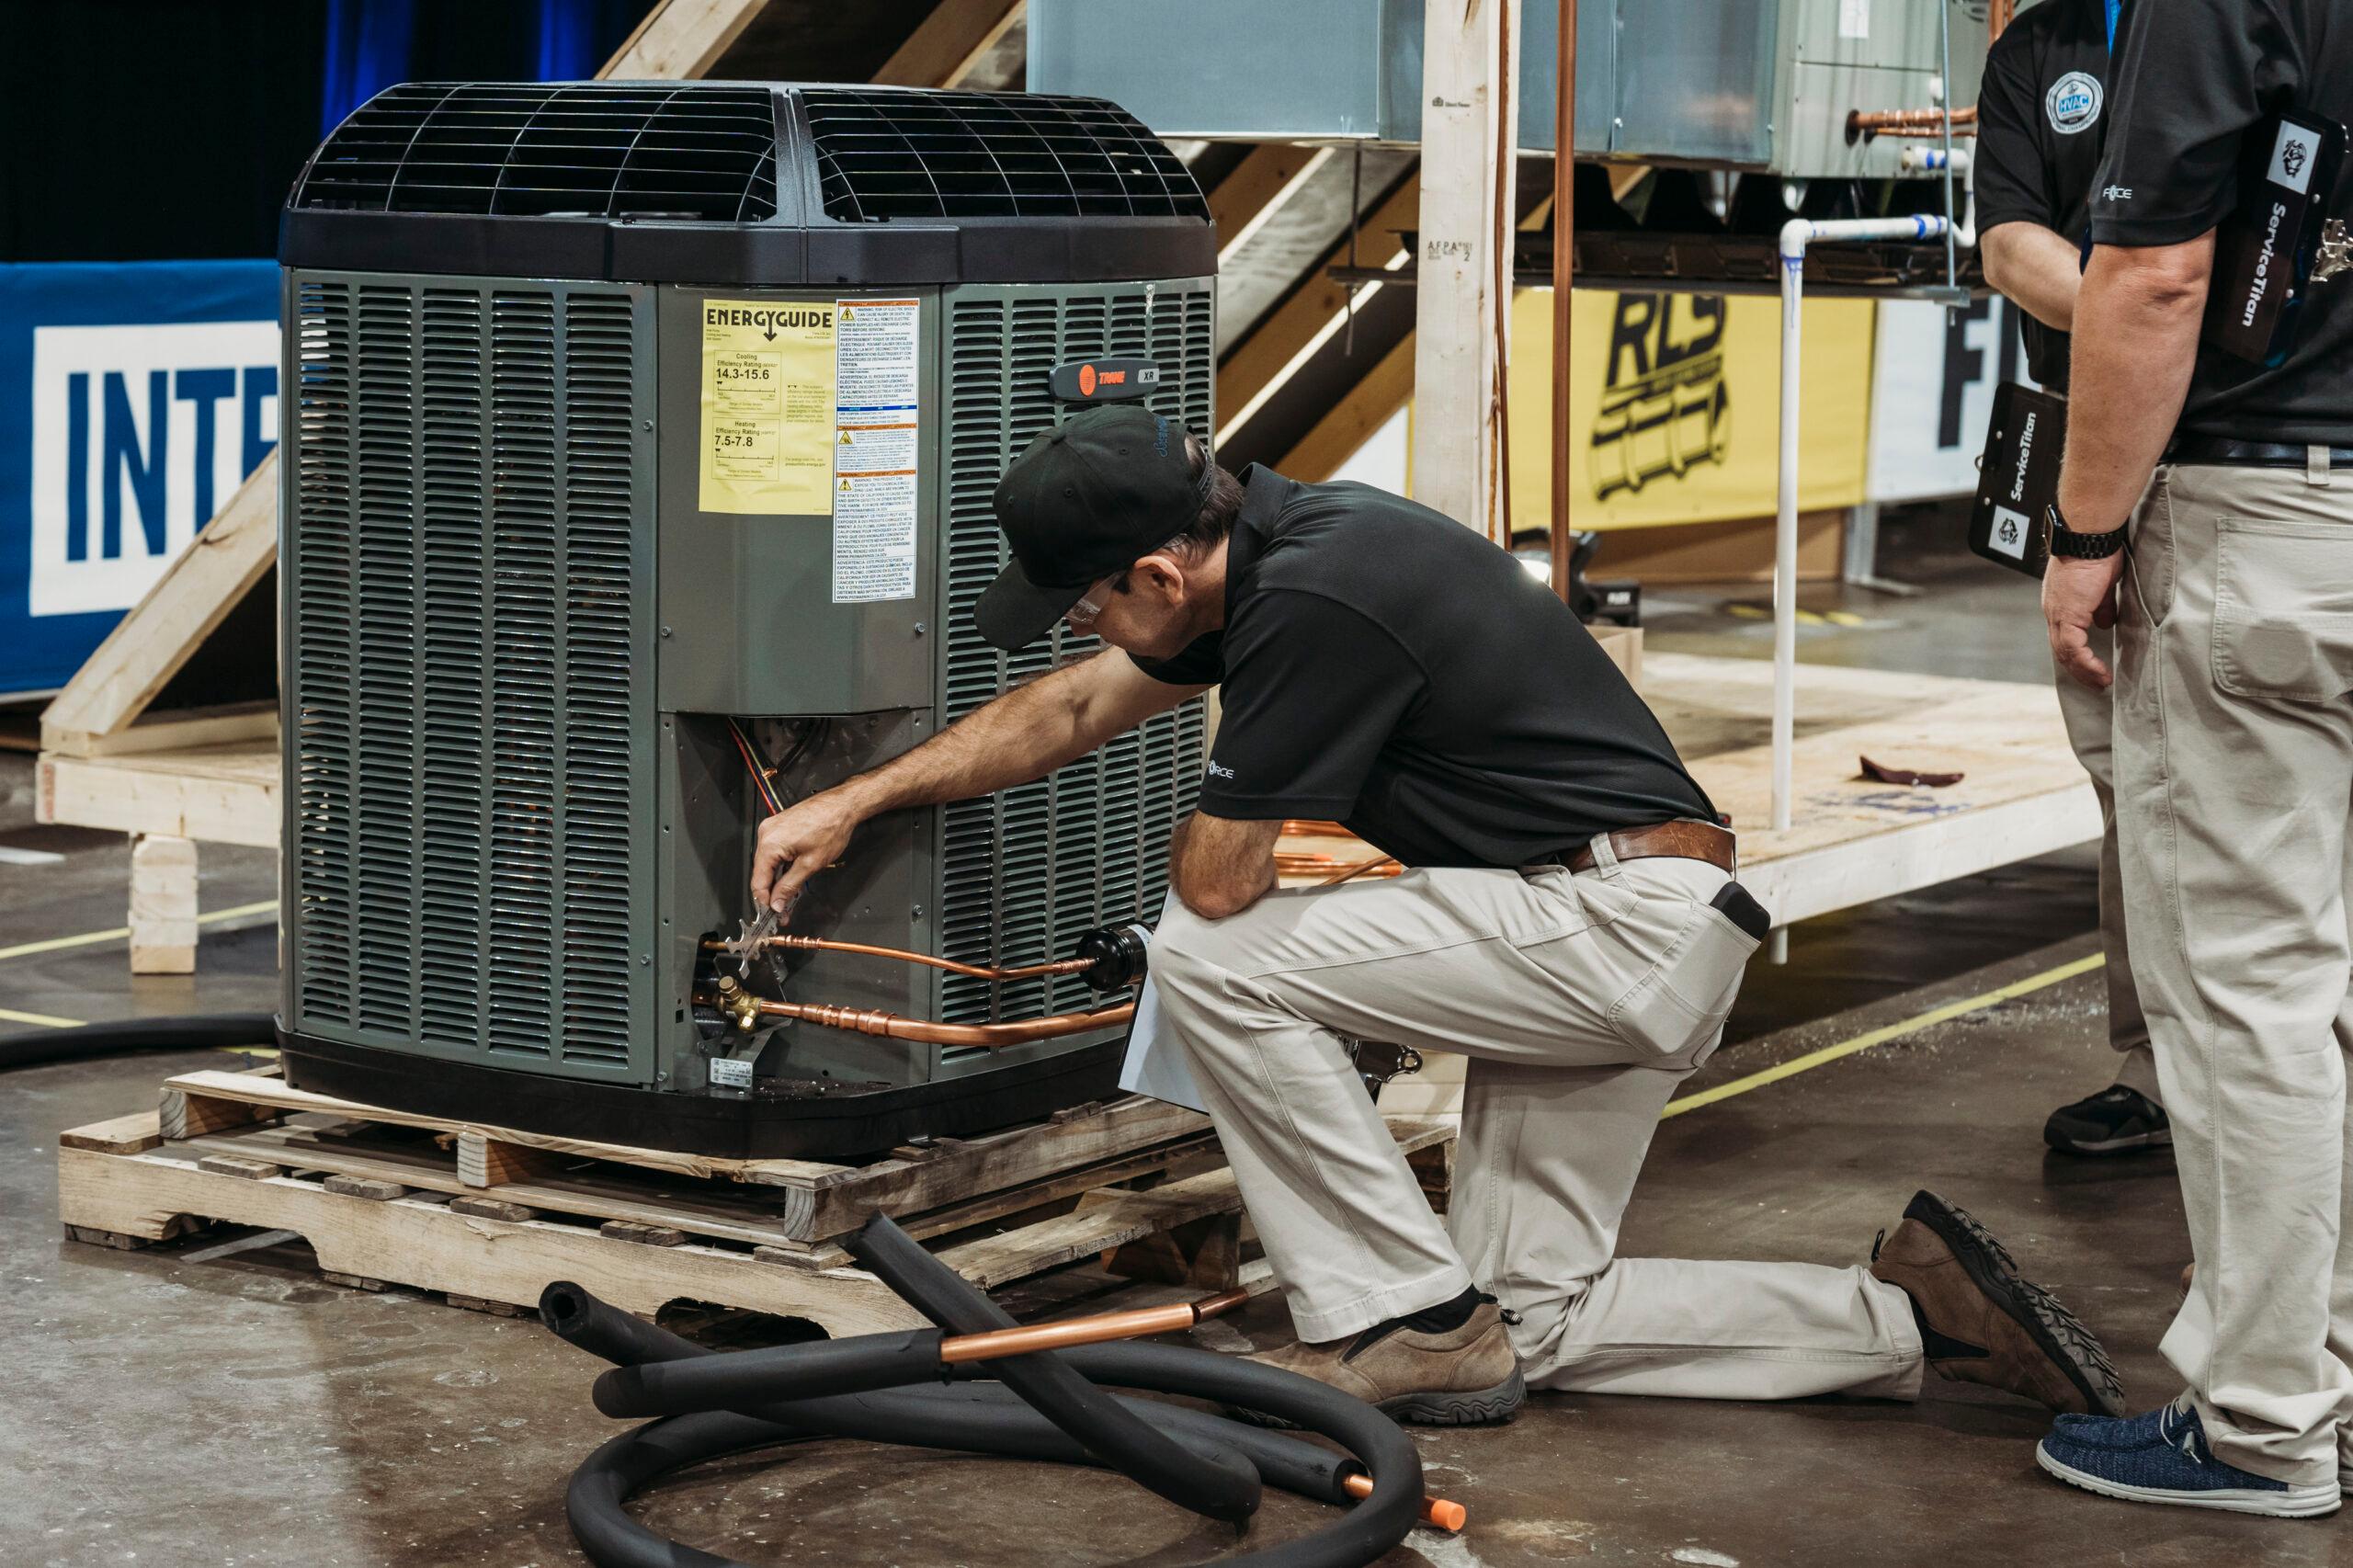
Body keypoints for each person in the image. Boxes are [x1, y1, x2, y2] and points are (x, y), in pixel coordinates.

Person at [751, 403, 2123, 1427]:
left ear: (1160, 577)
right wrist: (854, 802)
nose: (1083, 632)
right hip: (1608, 927)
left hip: (1613, 927)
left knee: (1212, 960)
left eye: (1091, 602)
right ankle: (1908, 1311)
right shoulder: (1289, 548)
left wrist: (1252, 806)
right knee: (1529, 1320)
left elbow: (1221, 886)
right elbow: (1064, 713)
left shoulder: (1318, 596)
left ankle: (1396, 1314)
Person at [2035, 0, 2353, 1517]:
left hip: (2274, 521)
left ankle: (2265, 1422)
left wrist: (2088, 535)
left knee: (2251, 986)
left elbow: (2158, 277)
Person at [1976, 0, 2170, 1159]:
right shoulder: (2039, 47)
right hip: (2091, 451)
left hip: (2243, 451)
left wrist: (2162, 307)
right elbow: (2008, 243)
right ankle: (2155, 1068)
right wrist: (2147, 314)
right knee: (2123, 780)